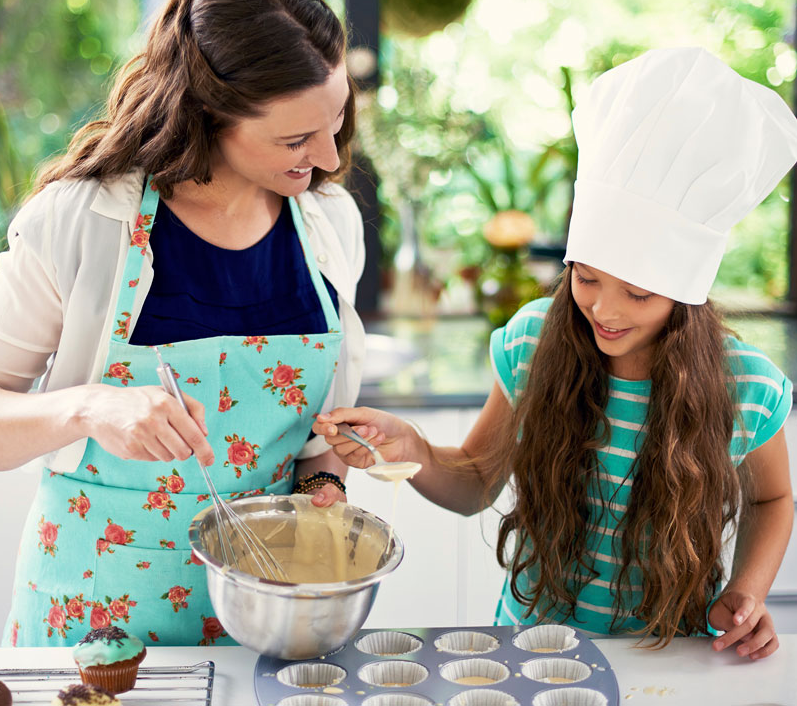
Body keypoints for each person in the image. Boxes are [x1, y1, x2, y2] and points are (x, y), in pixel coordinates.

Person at [314, 47, 797, 660]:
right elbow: (474, 484)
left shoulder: (746, 384)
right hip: (532, 651)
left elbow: (771, 499)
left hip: (674, 652)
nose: (605, 310)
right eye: (587, 277)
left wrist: (747, 591)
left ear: (687, 294)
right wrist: (413, 450)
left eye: (639, 293)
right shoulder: (534, 342)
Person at [0, 0, 365, 647]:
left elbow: (315, 444)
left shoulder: (330, 226)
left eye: (336, 119)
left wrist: (325, 488)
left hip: (264, 625)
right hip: (92, 628)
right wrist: (87, 407)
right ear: (212, 114)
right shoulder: (84, 220)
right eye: (295, 140)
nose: (324, 158)